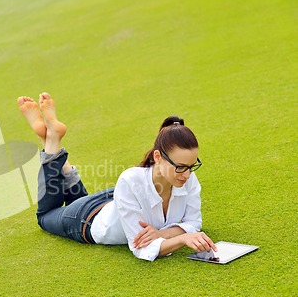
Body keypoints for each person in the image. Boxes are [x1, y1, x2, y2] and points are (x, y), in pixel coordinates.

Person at [17, 92, 217, 261]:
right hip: (86, 219)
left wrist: (162, 234)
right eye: (181, 167)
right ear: (158, 157)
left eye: (192, 166)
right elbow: (141, 247)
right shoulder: (130, 180)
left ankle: (50, 140)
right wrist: (181, 238)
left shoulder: (187, 178)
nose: (187, 174)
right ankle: (51, 141)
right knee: (45, 216)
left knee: (76, 200)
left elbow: (194, 223)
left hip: (115, 202)